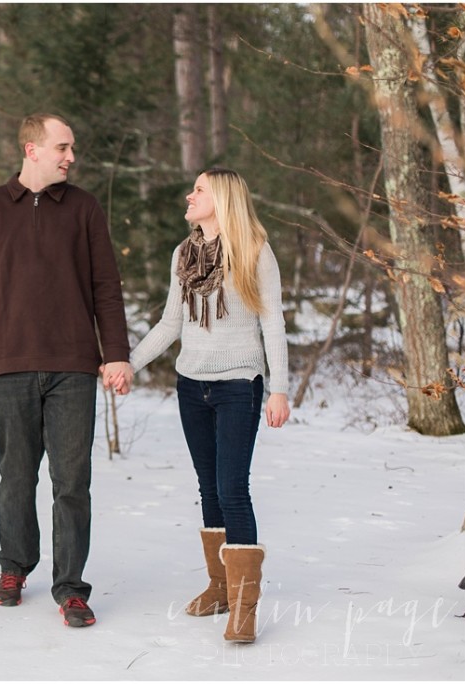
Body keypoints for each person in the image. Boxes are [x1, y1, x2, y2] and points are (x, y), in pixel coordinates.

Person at [0, 113, 131, 628]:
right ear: (32, 149)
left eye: (71, 147)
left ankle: (71, 588)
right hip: (10, 366)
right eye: (62, 147)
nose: (70, 156)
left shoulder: (84, 209)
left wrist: (116, 352)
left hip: (74, 367)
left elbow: (106, 286)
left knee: (71, 481)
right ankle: (14, 567)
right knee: (15, 475)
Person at [128, 167, 290, 643]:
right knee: (208, 487)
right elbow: (169, 324)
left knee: (232, 488)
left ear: (222, 199)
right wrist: (127, 364)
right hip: (190, 384)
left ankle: (244, 606)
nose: (189, 195)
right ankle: (220, 588)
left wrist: (277, 387)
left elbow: (273, 325)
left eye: (198, 190)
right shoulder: (184, 253)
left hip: (239, 384)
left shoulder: (255, 251)